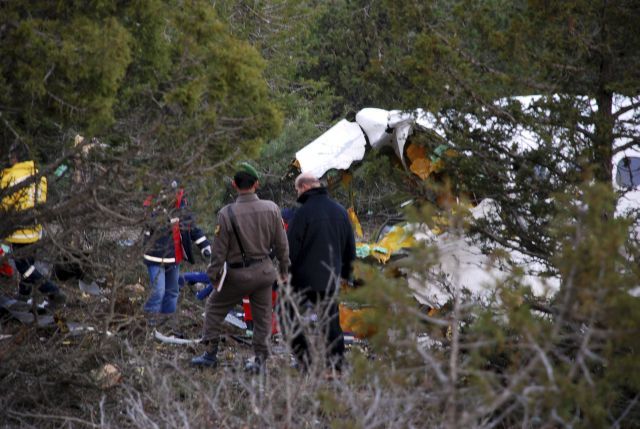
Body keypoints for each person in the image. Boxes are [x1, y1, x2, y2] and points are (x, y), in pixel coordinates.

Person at [191, 162, 289, 373]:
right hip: (264, 272)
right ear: (257, 184)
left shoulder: (226, 213)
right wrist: (283, 270)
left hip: (237, 276)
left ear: (234, 184)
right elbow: (282, 245)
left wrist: (213, 275)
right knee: (263, 316)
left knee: (214, 308)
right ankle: (260, 361)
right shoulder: (272, 209)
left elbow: (219, 252)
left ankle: (210, 354)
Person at [285, 172, 356, 374]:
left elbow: (290, 249)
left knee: (289, 317)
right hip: (330, 278)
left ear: (305, 188)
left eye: (297, 190)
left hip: (302, 280)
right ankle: (337, 364)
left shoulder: (302, 213)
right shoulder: (340, 211)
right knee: (331, 322)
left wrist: (285, 275)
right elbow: (350, 245)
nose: (297, 193)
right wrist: (348, 274)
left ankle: (304, 360)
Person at [1, 144, 66, 306]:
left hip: (18, 228)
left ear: (16, 157)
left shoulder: (11, 176)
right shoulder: (39, 175)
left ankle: (53, 291)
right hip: (35, 227)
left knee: (24, 267)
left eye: (11, 157)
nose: (10, 160)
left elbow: (4, 204)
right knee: (28, 263)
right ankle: (24, 296)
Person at [142, 180, 211, 328]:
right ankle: (149, 325)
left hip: (174, 257)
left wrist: (204, 245)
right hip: (156, 256)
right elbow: (150, 224)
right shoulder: (152, 204)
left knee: (172, 292)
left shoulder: (182, 203)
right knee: (157, 292)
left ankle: (167, 324)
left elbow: (191, 226)